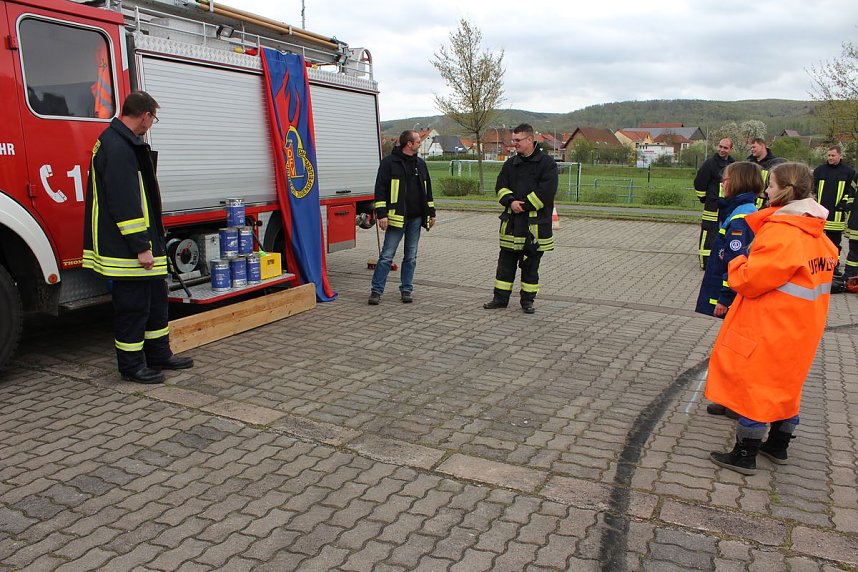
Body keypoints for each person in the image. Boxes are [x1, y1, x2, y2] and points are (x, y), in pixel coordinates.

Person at [706, 162, 838, 475]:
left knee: (756, 386)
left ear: (782, 190)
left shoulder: (782, 234)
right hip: (802, 328)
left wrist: (737, 260)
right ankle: (779, 444)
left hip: (770, 326)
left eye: (770, 185)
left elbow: (749, 281)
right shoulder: (817, 235)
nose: (766, 191)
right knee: (788, 385)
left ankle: (745, 453)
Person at [82, 91, 194, 384]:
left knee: (157, 303)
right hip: (128, 251)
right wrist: (140, 247)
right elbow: (125, 203)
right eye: (153, 119)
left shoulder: (123, 142)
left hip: (145, 245)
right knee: (133, 309)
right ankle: (132, 366)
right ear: (144, 115)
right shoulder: (116, 147)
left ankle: (158, 354)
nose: (151, 124)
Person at [694, 161, 762, 418]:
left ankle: (736, 401)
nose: (723, 183)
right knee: (729, 350)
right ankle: (728, 397)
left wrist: (725, 296)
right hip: (732, 295)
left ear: (739, 182)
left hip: (732, 297)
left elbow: (735, 263)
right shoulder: (739, 209)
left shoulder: (741, 216)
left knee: (735, 350)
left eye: (727, 179)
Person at [483, 123, 557, 314]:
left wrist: (523, 205)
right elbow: (500, 186)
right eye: (513, 140)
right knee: (505, 266)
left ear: (530, 140)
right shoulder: (510, 164)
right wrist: (510, 201)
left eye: (517, 140)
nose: (513, 144)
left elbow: (546, 192)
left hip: (533, 227)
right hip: (512, 225)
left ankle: (528, 301)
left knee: (530, 267)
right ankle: (500, 299)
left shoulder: (547, 164)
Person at [368, 130, 436, 305]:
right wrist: (381, 215)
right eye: (418, 141)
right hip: (396, 218)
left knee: (411, 256)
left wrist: (431, 213)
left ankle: (406, 289)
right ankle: (376, 291)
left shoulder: (420, 164)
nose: (420, 143)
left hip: (415, 219)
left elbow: (427, 191)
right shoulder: (389, 163)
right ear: (409, 144)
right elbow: (380, 190)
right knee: (386, 256)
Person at [813, 145, 855, 274]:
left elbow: (850, 192)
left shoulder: (848, 172)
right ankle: (817, 265)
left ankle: (834, 266)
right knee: (817, 242)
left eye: (833, 155)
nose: (830, 158)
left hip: (837, 214)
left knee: (834, 243)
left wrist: (844, 205)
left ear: (840, 156)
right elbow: (813, 189)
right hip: (819, 214)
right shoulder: (819, 171)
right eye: (829, 155)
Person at [694, 138, 735, 269]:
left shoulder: (733, 164)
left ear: (730, 149)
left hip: (727, 205)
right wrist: (705, 199)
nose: (722, 150)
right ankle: (704, 262)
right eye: (720, 147)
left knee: (725, 232)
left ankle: (720, 260)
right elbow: (699, 183)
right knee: (708, 232)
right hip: (712, 206)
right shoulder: (710, 164)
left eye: (725, 148)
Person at [746, 137, 785, 208]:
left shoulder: (775, 163)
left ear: (763, 146)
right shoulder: (748, 163)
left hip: (766, 203)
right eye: (751, 148)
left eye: (754, 147)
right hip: (750, 203)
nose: (752, 150)